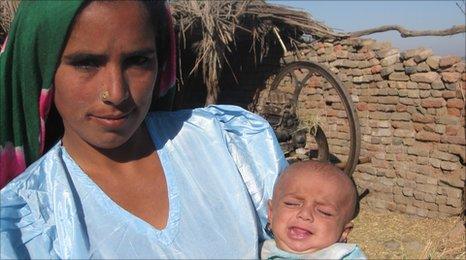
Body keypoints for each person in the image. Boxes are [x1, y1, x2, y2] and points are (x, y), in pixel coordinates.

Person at [0, 1, 287, 258]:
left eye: (138, 61)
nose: (116, 93)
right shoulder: (27, 226)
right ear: (42, 69)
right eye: (86, 63)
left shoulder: (230, 146)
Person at [261, 161, 366, 259]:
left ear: (344, 231)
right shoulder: (254, 249)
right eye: (292, 203)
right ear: (271, 213)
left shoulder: (343, 255)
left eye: (324, 212)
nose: (305, 214)